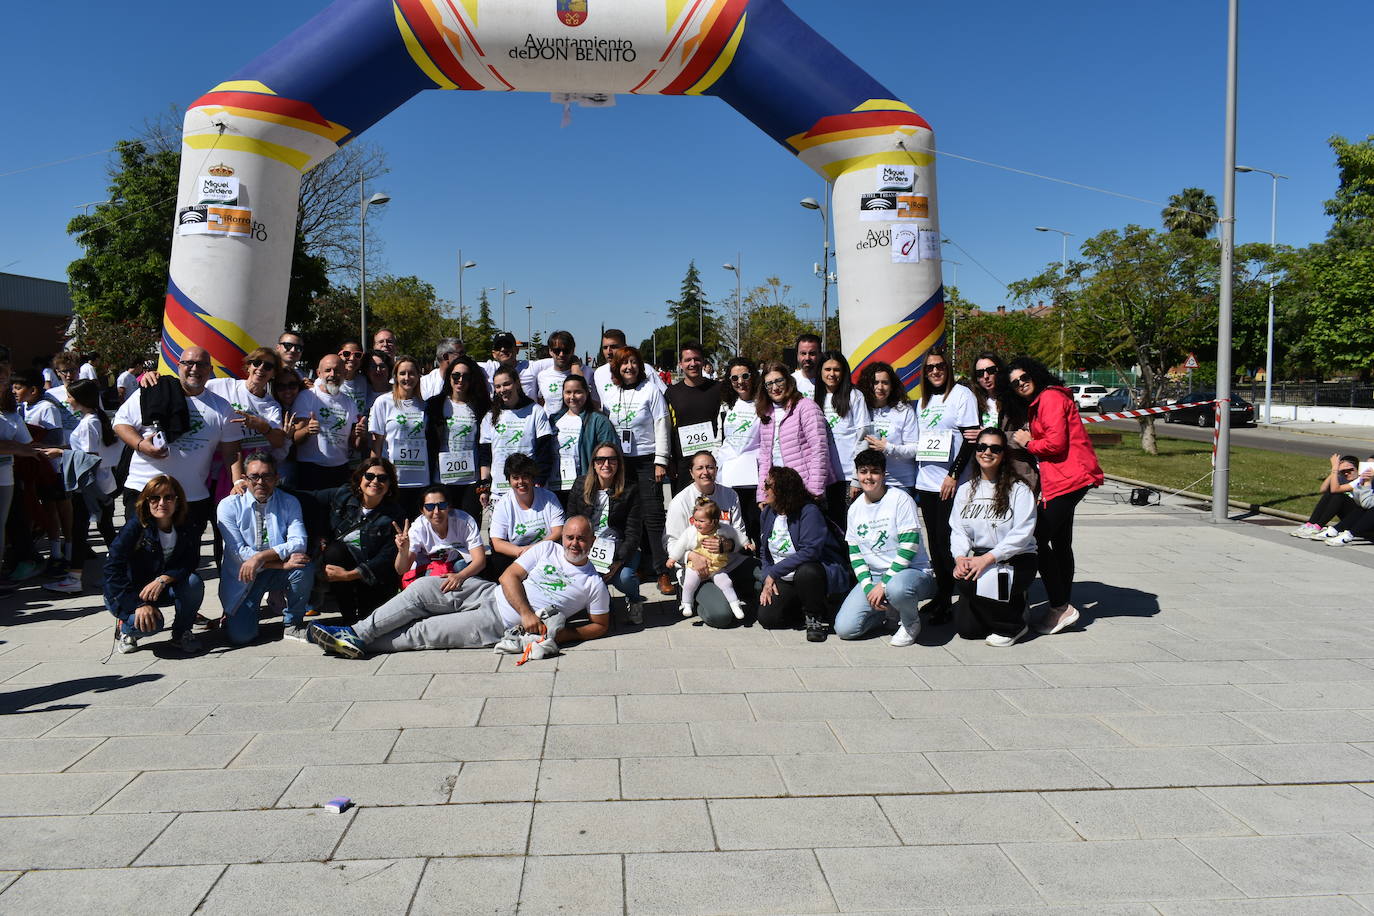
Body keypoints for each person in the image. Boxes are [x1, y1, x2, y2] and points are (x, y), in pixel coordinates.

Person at [309, 516, 611, 658]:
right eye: (570, 536)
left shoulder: (593, 584)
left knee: (425, 631)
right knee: (422, 589)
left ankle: (357, 643)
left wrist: (560, 633)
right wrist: (528, 613)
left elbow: (600, 624)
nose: (574, 542)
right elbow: (508, 577)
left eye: (581, 538)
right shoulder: (547, 550)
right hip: (487, 592)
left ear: (592, 541)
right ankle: (356, 633)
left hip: (498, 623)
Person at [1008, 357, 1104, 635]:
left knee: (1036, 539)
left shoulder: (1049, 398)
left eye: (1024, 378)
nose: (1021, 384)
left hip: (1069, 478)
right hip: (1068, 478)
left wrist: (1028, 442)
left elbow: (1056, 443)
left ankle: (1060, 606)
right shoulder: (1047, 398)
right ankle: (1061, 604)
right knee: (1061, 543)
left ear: (1035, 374)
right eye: (1015, 383)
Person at [113, 345, 245, 543]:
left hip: (191, 497)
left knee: (183, 562)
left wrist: (237, 482)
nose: (194, 369)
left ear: (210, 370)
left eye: (201, 364)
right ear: (178, 366)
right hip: (144, 490)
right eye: (188, 363)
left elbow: (231, 451)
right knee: (139, 556)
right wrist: (141, 445)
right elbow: (121, 423)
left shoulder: (222, 407)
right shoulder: (152, 391)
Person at [907, 347, 979, 623]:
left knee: (950, 542)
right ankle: (943, 596)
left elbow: (971, 439)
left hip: (952, 484)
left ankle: (962, 598)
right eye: (929, 367)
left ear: (947, 368)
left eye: (939, 366)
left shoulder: (962, 395)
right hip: (926, 483)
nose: (935, 371)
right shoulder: (922, 402)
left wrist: (954, 474)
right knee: (935, 543)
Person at [836, 449, 935, 645]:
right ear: (857, 474)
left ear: (883, 474)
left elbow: (910, 545)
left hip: (909, 573)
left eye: (874, 471)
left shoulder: (900, 499)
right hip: (874, 576)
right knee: (845, 629)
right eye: (863, 471)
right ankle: (889, 612)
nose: (868, 477)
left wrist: (884, 584)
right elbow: (855, 554)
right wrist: (868, 587)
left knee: (897, 589)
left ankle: (910, 622)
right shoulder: (854, 509)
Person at [950, 428, 1039, 647]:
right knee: (968, 630)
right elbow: (958, 530)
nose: (987, 452)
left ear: (1003, 454)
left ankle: (1014, 624)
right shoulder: (965, 490)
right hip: (981, 558)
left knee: (969, 585)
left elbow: (1022, 533)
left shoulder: (1018, 489)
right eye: (981, 447)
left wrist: (989, 558)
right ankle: (1009, 603)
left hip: (1017, 559)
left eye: (995, 448)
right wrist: (960, 557)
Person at [217, 451, 315, 644]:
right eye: (254, 477)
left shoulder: (289, 502)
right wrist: (278, 564)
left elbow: (299, 542)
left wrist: (260, 558)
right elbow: (239, 554)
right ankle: (237, 615)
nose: (260, 482)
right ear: (245, 478)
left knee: (303, 565)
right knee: (242, 637)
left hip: (269, 570)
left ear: (276, 478)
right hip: (244, 577)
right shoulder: (228, 506)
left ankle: (292, 624)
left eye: (267, 476)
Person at [293, 457, 404, 622]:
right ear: (360, 479)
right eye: (369, 476)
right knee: (334, 551)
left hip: (371, 576)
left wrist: (350, 575)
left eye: (382, 478)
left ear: (389, 485)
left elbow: (386, 558)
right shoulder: (344, 495)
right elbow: (309, 497)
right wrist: (271, 487)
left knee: (371, 621)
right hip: (341, 567)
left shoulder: (394, 514)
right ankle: (348, 616)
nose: (375, 481)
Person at [103, 475, 205, 654]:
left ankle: (182, 633)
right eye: (155, 498)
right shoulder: (135, 527)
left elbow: (191, 561)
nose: (162, 503)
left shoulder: (186, 524)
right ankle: (126, 628)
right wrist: (137, 604)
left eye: (169, 497)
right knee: (152, 625)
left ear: (177, 500)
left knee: (193, 582)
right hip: (129, 592)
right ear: (146, 501)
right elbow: (112, 569)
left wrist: (164, 578)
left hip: (161, 587)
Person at [604, 345, 673, 594]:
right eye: (624, 363)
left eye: (633, 362)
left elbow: (662, 424)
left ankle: (663, 570)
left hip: (647, 461)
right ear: (617, 367)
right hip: (621, 464)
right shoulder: (611, 394)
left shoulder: (651, 390)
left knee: (653, 517)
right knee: (626, 517)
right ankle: (637, 564)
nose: (629, 367)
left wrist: (661, 460)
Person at [756, 466, 851, 641]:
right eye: (765, 484)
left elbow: (810, 551)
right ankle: (805, 608)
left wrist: (774, 573)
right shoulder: (768, 512)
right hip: (783, 575)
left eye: (769, 485)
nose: (764, 489)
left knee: (807, 571)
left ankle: (814, 616)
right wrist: (767, 576)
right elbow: (764, 550)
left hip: (812, 572)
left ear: (783, 489)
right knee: (768, 619)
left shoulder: (809, 512)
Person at [567, 441, 645, 623]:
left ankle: (634, 600)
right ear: (593, 463)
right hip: (588, 547)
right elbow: (570, 521)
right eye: (600, 460)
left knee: (624, 578)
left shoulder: (630, 489)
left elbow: (633, 532)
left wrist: (618, 561)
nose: (606, 465)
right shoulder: (580, 485)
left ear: (619, 464)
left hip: (619, 546)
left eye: (612, 460)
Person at [55, 379, 121, 594]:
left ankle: (74, 577)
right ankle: (119, 573)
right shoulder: (94, 420)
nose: (67, 400)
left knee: (81, 530)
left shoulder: (89, 423)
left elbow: (89, 457)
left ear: (81, 399)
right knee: (105, 529)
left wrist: (60, 453)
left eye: (70, 396)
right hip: (101, 483)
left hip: (90, 487)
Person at [13, 368, 73, 579]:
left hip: (53, 468)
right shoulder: (22, 408)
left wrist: (31, 446)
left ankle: (63, 553)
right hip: (34, 467)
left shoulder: (47, 408)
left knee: (56, 509)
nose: (14, 391)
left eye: (18, 387)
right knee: (46, 510)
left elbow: (56, 439)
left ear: (34, 390)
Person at [756, 361, 836, 503]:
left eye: (779, 381)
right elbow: (764, 459)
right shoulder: (766, 413)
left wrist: (814, 490)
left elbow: (820, 450)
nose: (775, 388)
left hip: (804, 491)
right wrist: (763, 495)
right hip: (778, 492)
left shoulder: (806, 407)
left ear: (788, 381)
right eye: (769, 384)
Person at [423, 354, 490, 520]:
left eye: (466, 376)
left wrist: (483, 483)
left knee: (469, 527)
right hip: (441, 480)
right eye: (456, 375)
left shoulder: (481, 406)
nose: (460, 380)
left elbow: (484, 447)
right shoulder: (435, 404)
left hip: (470, 481)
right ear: (449, 377)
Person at [481, 364, 555, 501]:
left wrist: (538, 481)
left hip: (528, 488)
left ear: (516, 383)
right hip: (500, 490)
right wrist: (484, 488)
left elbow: (545, 452)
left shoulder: (536, 411)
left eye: (506, 384)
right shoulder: (490, 416)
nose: (502, 390)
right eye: (498, 386)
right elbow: (485, 457)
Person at [290, 354, 364, 490]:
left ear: (345, 373)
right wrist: (307, 430)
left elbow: (354, 444)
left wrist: (359, 434)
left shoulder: (349, 402)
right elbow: (295, 438)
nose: (333, 374)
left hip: (341, 470)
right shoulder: (307, 397)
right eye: (328, 370)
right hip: (311, 469)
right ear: (319, 373)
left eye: (337, 370)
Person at [369, 354, 430, 517]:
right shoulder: (383, 402)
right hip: (393, 480)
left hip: (420, 480)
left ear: (418, 376)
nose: (407, 377)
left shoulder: (425, 405)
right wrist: (374, 475)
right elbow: (377, 445)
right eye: (402, 373)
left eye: (412, 373)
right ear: (395, 376)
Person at [488, 453, 565, 579]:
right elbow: (497, 542)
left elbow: (558, 531)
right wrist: (523, 553)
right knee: (497, 559)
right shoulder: (503, 504)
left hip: (546, 552)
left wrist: (534, 551)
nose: (521, 482)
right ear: (509, 480)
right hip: (517, 555)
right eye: (516, 478)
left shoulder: (549, 497)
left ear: (532, 478)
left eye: (525, 476)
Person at [394, 484, 487, 587]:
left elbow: (480, 561)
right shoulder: (418, 528)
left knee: (461, 566)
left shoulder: (465, 521)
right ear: (422, 511)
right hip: (429, 570)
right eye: (430, 507)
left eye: (442, 505)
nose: (436, 512)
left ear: (449, 507)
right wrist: (402, 552)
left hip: (457, 566)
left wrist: (460, 576)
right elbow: (401, 570)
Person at [669, 496, 746, 620]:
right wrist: (673, 558)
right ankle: (687, 604)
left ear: (714, 521)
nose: (696, 523)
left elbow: (737, 534)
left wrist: (746, 542)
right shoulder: (691, 531)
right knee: (690, 583)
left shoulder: (723, 529)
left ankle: (735, 604)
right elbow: (680, 544)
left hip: (716, 566)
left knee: (726, 583)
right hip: (695, 566)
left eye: (701, 521)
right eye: (695, 520)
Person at [206, 347, 286, 464]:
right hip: (216, 462)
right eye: (257, 363)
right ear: (249, 366)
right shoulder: (221, 386)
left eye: (268, 366)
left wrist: (262, 426)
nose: (261, 368)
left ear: (273, 373)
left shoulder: (272, 406)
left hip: (251, 467)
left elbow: (278, 442)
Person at [547, 374, 616, 507]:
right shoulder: (554, 420)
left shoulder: (598, 420)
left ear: (586, 393)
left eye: (578, 392)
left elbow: (611, 453)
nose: (572, 397)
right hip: (556, 486)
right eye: (568, 392)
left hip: (584, 486)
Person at [816, 350, 865, 527]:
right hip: (824, 477)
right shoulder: (815, 399)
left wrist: (856, 478)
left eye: (836, 369)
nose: (832, 374)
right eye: (827, 369)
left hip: (847, 476)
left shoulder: (855, 396)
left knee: (848, 529)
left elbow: (863, 437)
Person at [716, 358, 762, 545]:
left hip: (753, 475)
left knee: (754, 522)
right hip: (728, 474)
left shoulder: (763, 404)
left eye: (745, 376)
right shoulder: (726, 405)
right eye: (734, 378)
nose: (740, 381)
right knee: (731, 523)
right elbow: (720, 438)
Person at [666, 341, 723, 493]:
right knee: (685, 512)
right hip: (683, 464)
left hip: (713, 462)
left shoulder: (718, 389)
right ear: (680, 364)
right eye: (687, 360)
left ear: (703, 362)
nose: (693, 363)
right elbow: (668, 428)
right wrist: (669, 460)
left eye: (697, 359)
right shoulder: (671, 392)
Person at [857, 361, 919, 493]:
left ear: (892, 386)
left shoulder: (904, 410)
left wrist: (888, 448)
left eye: (885, 382)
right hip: (869, 483)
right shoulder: (862, 409)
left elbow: (914, 448)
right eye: (875, 382)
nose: (880, 387)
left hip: (899, 483)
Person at [1291, 454, 1363, 538]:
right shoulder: (1342, 477)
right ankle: (1311, 524)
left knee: (1339, 495)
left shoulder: (1361, 480)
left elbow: (1335, 490)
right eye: (1343, 471)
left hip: (1358, 516)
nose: (1346, 473)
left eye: (1350, 470)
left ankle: (1318, 526)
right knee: (1330, 493)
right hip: (1348, 515)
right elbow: (1323, 490)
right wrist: (1335, 471)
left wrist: (1335, 469)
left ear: (1358, 469)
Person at [592, 329, 665, 403]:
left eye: (613, 347)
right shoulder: (599, 373)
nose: (608, 352)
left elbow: (663, 396)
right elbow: (596, 403)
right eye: (605, 348)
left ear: (625, 347)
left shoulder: (646, 369)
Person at [480, 332, 542, 401]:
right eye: (498, 346)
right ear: (493, 354)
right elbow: (466, 362)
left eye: (507, 345)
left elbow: (555, 358)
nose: (503, 349)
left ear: (517, 350)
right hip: (498, 411)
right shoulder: (488, 368)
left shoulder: (531, 367)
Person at [534, 330, 583, 406]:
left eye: (566, 350)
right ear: (550, 351)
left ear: (573, 351)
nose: (561, 354)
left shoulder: (586, 372)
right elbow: (541, 402)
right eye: (557, 350)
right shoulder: (542, 376)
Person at [336, 338, 369, 417]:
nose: (352, 358)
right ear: (338, 356)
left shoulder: (365, 381)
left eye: (357, 355)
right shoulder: (328, 381)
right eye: (347, 354)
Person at [792, 333, 822, 397]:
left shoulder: (829, 381)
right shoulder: (790, 382)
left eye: (812, 354)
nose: (807, 358)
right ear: (797, 355)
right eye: (803, 353)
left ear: (820, 355)